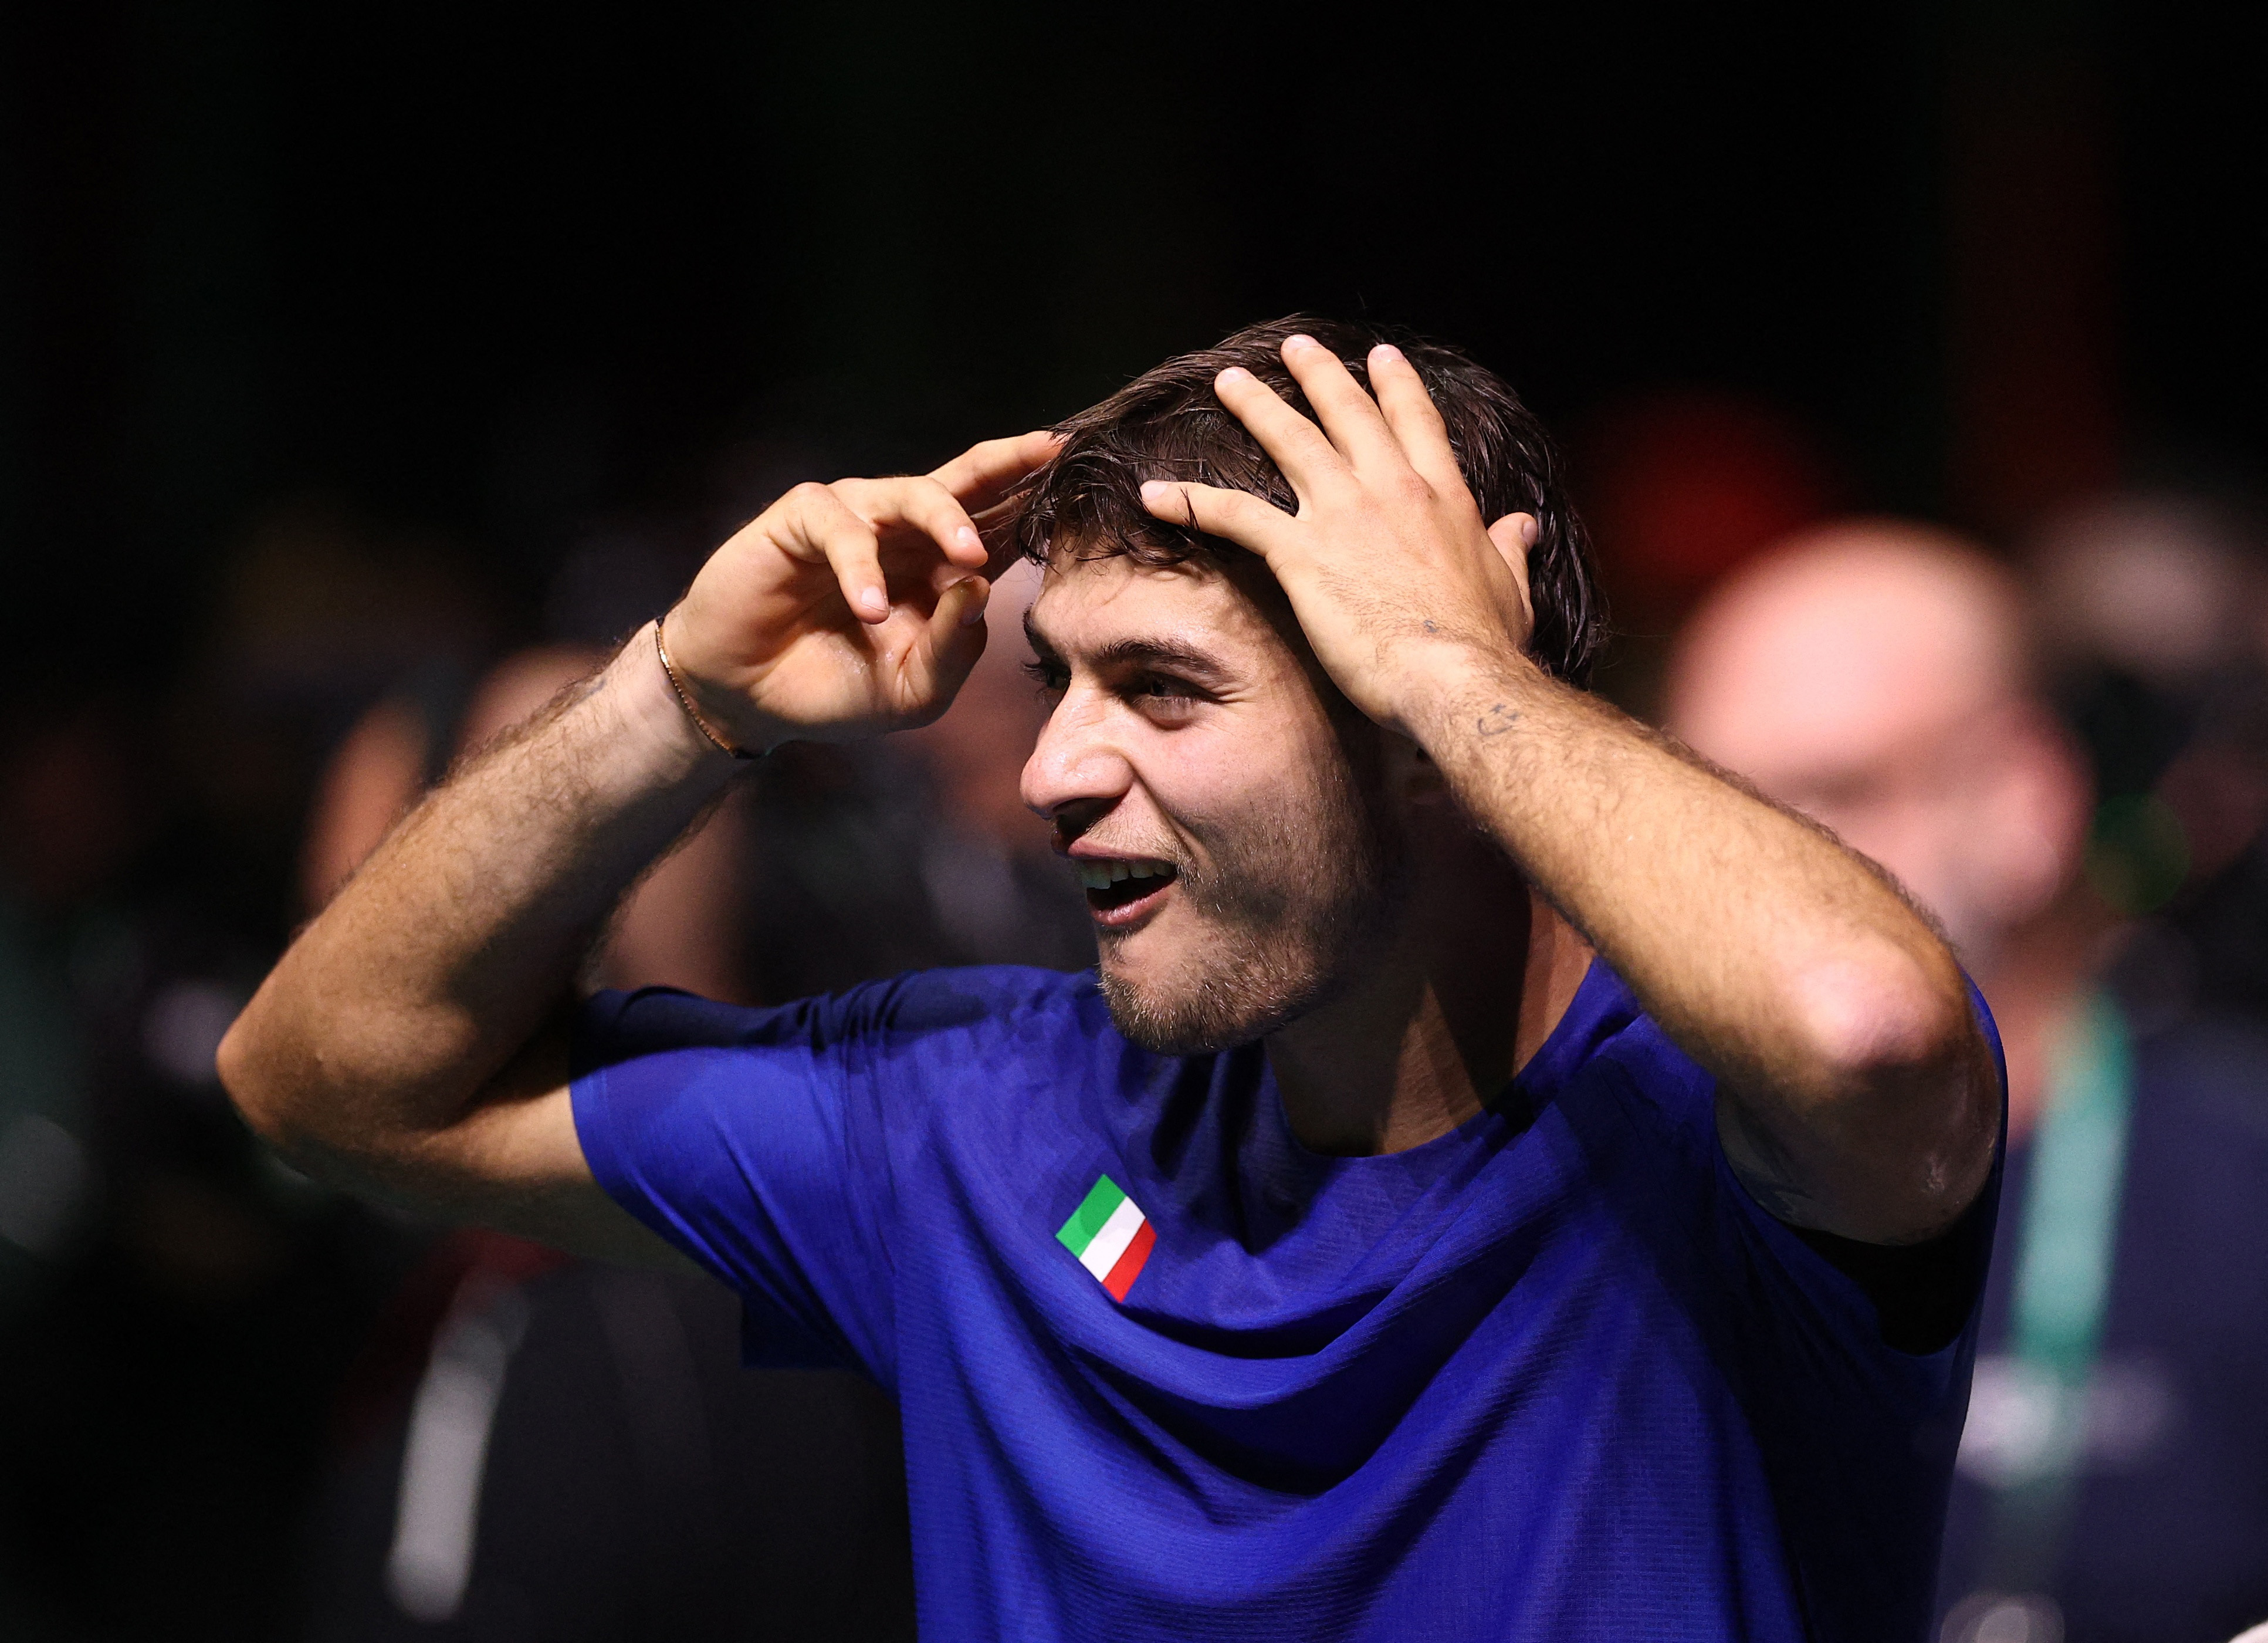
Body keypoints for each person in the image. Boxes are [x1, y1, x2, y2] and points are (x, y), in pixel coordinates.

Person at [219, 318, 2001, 1641]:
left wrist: (1458, 672)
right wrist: (680, 695)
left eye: (1159, 687)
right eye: (1055, 682)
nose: (1051, 770)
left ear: (1417, 723)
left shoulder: (1707, 1131)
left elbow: (1865, 1029)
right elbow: (323, 1082)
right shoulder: (976, 1123)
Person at [1667, 523, 2268, 1643]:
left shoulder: (2238, 1184)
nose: (1732, 868)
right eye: (1692, 806)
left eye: (1823, 793)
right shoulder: (1614, 1185)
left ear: (2021, 798)